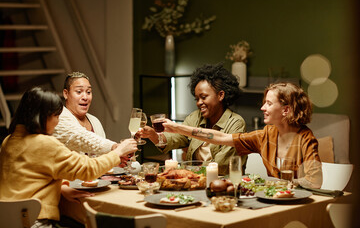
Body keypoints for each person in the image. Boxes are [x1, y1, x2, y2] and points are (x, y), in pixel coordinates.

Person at [0, 87, 138, 228]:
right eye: (56, 116)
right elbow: (88, 169)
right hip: (35, 221)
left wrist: (61, 187)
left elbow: (26, 178)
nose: (58, 122)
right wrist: (118, 152)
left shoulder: (8, 141)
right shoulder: (45, 143)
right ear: (43, 116)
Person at [162, 82, 323, 188]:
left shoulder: (306, 139)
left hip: (297, 204)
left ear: (285, 110)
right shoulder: (266, 135)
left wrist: (282, 184)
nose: (262, 108)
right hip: (273, 201)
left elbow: (315, 181)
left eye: (269, 103)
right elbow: (221, 137)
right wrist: (178, 128)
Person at [140, 63, 247, 175]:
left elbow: (222, 166)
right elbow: (174, 139)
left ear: (221, 95)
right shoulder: (195, 117)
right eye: (196, 99)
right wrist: (153, 134)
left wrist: (189, 169)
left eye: (204, 97)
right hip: (196, 182)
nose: (199, 103)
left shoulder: (236, 123)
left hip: (223, 185)